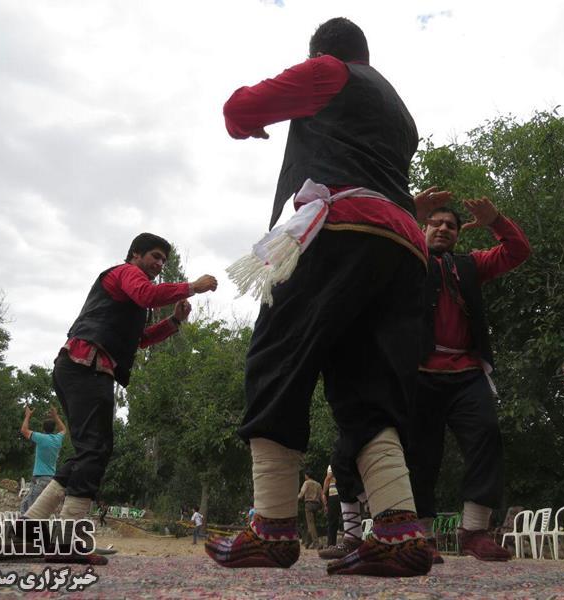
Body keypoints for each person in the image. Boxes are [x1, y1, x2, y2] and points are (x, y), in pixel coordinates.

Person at [207, 17, 447, 577]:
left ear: (321, 52)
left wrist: (254, 127)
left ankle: (271, 527)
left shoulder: (328, 72)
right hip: (403, 247)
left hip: (342, 227)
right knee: (367, 383)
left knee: (276, 361)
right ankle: (398, 529)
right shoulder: (400, 111)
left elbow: (239, 108)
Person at [23, 232, 217, 563]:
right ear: (135, 255)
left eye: (164, 261)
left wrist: (174, 321)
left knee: (89, 450)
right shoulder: (127, 275)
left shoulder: (131, 297)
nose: (159, 264)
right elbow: (146, 294)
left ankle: (31, 524)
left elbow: (138, 339)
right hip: (85, 367)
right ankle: (68, 541)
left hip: (82, 368)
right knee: (96, 449)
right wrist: (192, 286)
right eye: (155, 256)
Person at [405, 198, 530, 563]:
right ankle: (421, 535)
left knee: (486, 434)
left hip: (466, 373)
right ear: (424, 228)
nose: (443, 228)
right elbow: (373, 250)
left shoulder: (470, 265)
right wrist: (409, 215)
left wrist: (497, 221)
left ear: (459, 234)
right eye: (435, 222)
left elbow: (518, 251)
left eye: (451, 225)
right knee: (420, 453)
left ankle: (474, 530)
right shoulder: (406, 256)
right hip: (419, 372)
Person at [20, 406, 66, 513]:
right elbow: (63, 429)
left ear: (43, 429)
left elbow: (24, 430)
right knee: (39, 509)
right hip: (51, 480)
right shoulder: (57, 439)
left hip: (39, 479)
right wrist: (56, 417)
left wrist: (27, 416)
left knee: (26, 506)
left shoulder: (40, 438)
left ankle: (23, 528)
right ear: (53, 429)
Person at [297, 472, 323, 549]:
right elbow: (322, 495)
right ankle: (307, 543)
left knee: (310, 524)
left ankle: (316, 543)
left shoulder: (306, 483)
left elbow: (301, 493)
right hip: (317, 504)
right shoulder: (318, 484)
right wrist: (324, 506)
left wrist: (295, 499)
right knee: (312, 524)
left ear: (307, 476)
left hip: (309, 504)